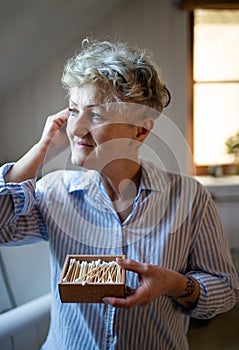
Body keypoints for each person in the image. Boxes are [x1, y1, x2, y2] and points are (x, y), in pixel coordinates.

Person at [0, 39, 238, 350]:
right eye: (73, 110)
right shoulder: (53, 192)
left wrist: (173, 284)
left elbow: (226, 291)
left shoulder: (189, 198)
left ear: (141, 131)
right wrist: (39, 152)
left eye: (96, 115)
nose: (77, 127)